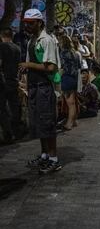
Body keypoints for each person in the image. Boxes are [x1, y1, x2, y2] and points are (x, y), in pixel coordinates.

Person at [19, 9, 62, 174]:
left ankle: (53, 159)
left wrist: (28, 65)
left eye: (31, 23)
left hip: (44, 88)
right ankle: (44, 155)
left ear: (39, 23)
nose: (27, 26)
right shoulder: (32, 41)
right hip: (34, 88)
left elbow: (51, 67)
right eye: (26, 23)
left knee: (48, 124)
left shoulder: (47, 40)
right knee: (39, 125)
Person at [0, 27, 22, 142]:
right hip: (14, 80)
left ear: (2, 35)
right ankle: (17, 131)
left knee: (2, 109)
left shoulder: (2, 47)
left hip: (3, 82)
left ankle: (8, 134)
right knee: (14, 107)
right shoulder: (17, 48)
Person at [58, 35, 81, 131]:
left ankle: (69, 124)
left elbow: (61, 67)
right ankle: (74, 121)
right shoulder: (75, 53)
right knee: (72, 102)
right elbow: (79, 67)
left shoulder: (63, 53)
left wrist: (57, 80)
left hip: (66, 78)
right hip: (74, 79)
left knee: (70, 103)